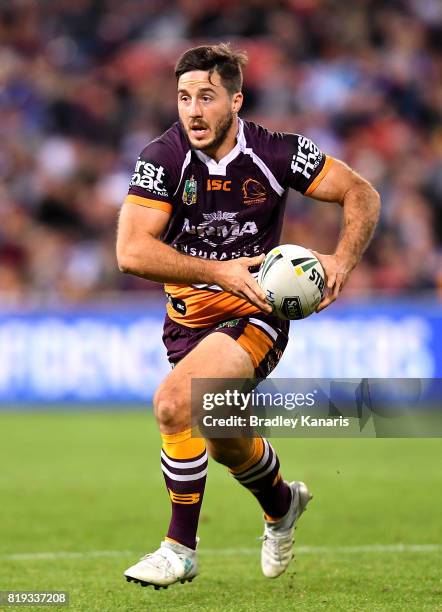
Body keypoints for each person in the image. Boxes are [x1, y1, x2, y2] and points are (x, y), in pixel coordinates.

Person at [117, 43, 380, 589]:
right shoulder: (162, 158)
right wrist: (220, 272)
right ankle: (282, 504)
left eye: (207, 97)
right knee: (223, 439)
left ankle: (179, 548)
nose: (193, 110)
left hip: (255, 317)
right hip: (187, 320)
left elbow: (360, 192)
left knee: (173, 403)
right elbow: (131, 253)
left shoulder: (277, 153)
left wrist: (342, 261)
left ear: (236, 100)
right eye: (184, 97)